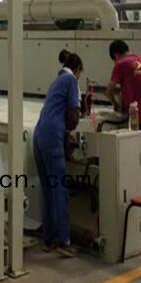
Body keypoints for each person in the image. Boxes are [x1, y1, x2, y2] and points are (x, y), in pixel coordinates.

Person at [34, 53, 83, 257]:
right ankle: (64, 241)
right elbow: (73, 115)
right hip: (53, 136)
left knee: (48, 188)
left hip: (39, 135)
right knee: (60, 188)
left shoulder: (56, 81)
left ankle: (48, 239)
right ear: (77, 70)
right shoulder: (71, 80)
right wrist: (70, 130)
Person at [106, 39, 141, 196]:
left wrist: (116, 104)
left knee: (138, 163)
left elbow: (109, 91)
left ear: (115, 55)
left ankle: (137, 204)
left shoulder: (120, 64)